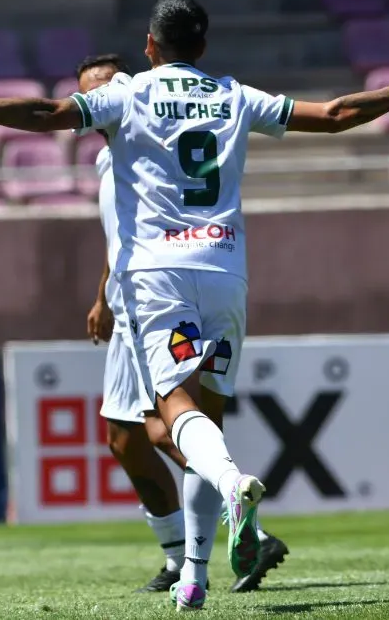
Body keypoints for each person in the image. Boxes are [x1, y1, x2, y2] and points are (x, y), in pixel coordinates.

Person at [0, 0, 389, 611]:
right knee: (203, 425)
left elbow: (46, 112)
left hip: (158, 277)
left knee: (171, 411)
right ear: (203, 46)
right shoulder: (234, 95)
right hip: (225, 271)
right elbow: (332, 115)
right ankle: (193, 575)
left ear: (148, 47)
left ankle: (234, 487)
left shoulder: (130, 93)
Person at [78, 53, 290, 595]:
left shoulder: (142, 136)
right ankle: (187, 560)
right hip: (149, 294)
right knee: (128, 437)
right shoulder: (111, 160)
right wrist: (102, 293)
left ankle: (225, 535)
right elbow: (122, 232)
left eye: (105, 85)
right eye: (89, 90)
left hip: (152, 298)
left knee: (157, 425)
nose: (98, 97)